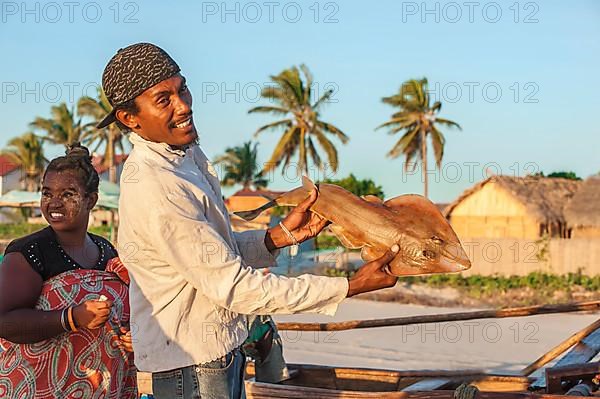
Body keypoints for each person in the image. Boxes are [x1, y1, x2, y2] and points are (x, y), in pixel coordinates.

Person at [99, 42, 400, 399]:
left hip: (218, 353)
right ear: (129, 118)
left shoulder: (185, 156)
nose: (183, 106)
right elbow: (235, 286)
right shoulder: (157, 184)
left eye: (182, 90)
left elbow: (215, 253)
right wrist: (347, 287)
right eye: (163, 100)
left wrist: (279, 236)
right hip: (193, 368)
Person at [0, 144, 137, 398]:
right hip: (36, 389)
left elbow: (122, 316)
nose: (54, 203)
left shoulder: (106, 251)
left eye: (68, 194)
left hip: (102, 388)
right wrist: (72, 318)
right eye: (47, 193)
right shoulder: (29, 252)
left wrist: (131, 337)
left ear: (91, 200)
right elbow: (5, 322)